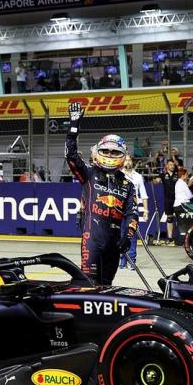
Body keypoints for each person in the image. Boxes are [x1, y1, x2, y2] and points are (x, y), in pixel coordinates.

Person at [65, 102, 138, 285]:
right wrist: (74, 126)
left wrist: (127, 237)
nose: (110, 155)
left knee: (106, 286)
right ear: (97, 152)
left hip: (114, 244)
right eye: (106, 151)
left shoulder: (128, 184)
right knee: (89, 285)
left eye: (115, 152)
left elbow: (132, 213)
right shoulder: (88, 174)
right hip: (92, 240)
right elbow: (71, 156)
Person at [119, 154, 149, 270]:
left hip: (133, 210)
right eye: (125, 160)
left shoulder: (138, 177)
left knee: (132, 234)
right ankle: (122, 260)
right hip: (119, 209)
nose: (128, 162)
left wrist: (145, 210)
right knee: (121, 235)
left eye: (129, 160)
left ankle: (132, 260)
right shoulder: (118, 175)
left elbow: (144, 194)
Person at [154, 159, 178, 245]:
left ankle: (180, 237)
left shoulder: (177, 174)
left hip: (178, 199)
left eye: (173, 165)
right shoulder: (163, 175)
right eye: (170, 165)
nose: (172, 166)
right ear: (167, 166)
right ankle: (170, 238)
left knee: (179, 218)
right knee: (170, 218)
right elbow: (156, 181)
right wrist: (156, 180)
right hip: (168, 199)